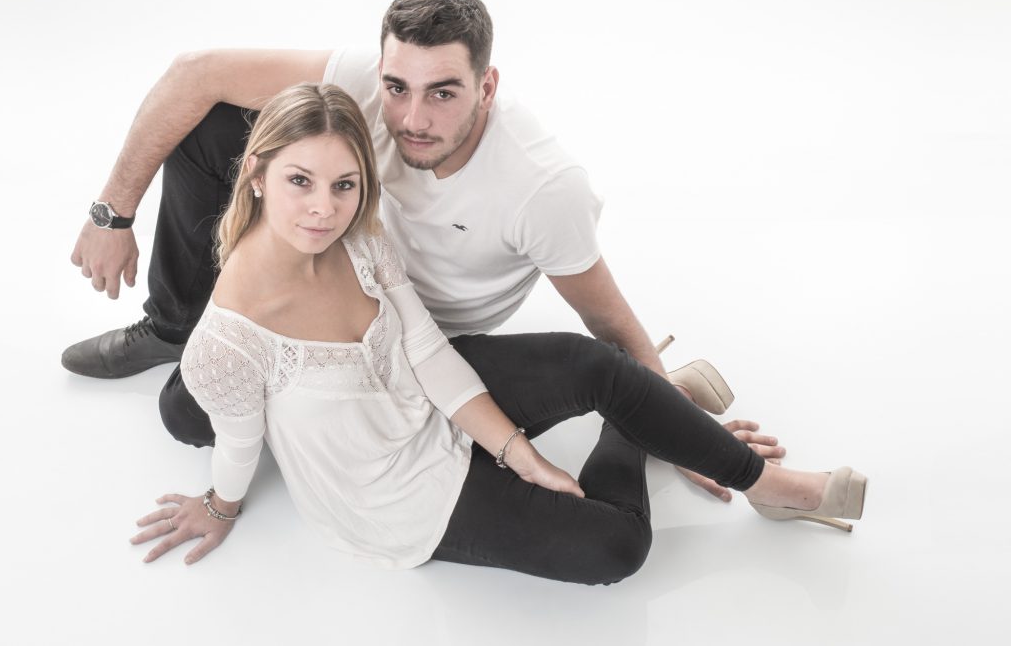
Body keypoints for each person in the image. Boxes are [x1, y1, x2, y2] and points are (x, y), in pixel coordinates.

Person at [65, 0, 782, 500]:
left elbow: (610, 321)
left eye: (443, 92)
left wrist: (678, 431)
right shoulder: (370, 83)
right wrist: (113, 213)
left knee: (188, 415)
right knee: (212, 127)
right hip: (329, 275)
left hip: (411, 337)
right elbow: (197, 72)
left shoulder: (543, 187)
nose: (411, 117)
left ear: (487, 85)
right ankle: (174, 322)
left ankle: (640, 409)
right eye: (397, 87)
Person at [127, 83, 867, 584]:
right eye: (300, 182)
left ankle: (769, 484)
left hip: (436, 403)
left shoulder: (359, 242)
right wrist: (219, 506)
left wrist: (516, 450)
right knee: (616, 547)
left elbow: (427, 353)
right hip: (393, 494)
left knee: (592, 362)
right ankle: (636, 425)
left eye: (344, 185)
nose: (324, 209)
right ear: (256, 174)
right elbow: (239, 443)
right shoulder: (227, 340)